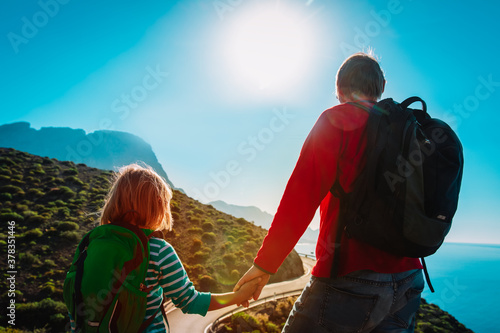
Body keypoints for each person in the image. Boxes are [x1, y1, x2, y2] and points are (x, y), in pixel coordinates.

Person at [234, 52, 425, 332]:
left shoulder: (337, 121)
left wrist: (264, 266)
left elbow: (299, 200)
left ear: (339, 88)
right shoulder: (407, 127)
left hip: (350, 278)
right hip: (410, 280)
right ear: (382, 85)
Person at [69, 163, 260, 333]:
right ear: (158, 206)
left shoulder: (94, 243)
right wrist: (238, 296)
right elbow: (190, 301)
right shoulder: (159, 251)